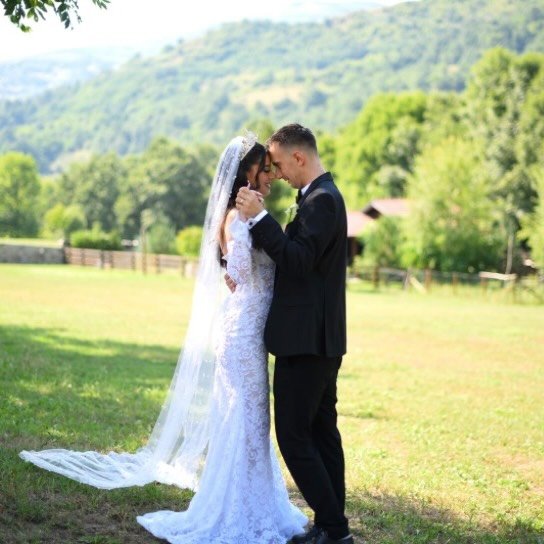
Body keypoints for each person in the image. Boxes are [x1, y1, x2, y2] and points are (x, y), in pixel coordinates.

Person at [20, 134, 307, 543]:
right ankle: (235, 509)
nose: (271, 176)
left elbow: (242, 271)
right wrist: (251, 229)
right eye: (264, 169)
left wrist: (255, 233)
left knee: (249, 419)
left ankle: (252, 502)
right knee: (244, 418)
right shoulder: (237, 217)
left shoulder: (245, 215)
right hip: (242, 333)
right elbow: (241, 273)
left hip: (248, 329)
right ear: (247, 173)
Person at [235, 124, 352, 544]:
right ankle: (329, 526)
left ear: (299, 157)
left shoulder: (322, 202)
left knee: (294, 436)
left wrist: (259, 218)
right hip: (317, 339)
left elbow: (298, 261)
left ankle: (334, 529)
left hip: (306, 341)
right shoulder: (321, 197)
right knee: (322, 434)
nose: (278, 173)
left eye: (280, 164)